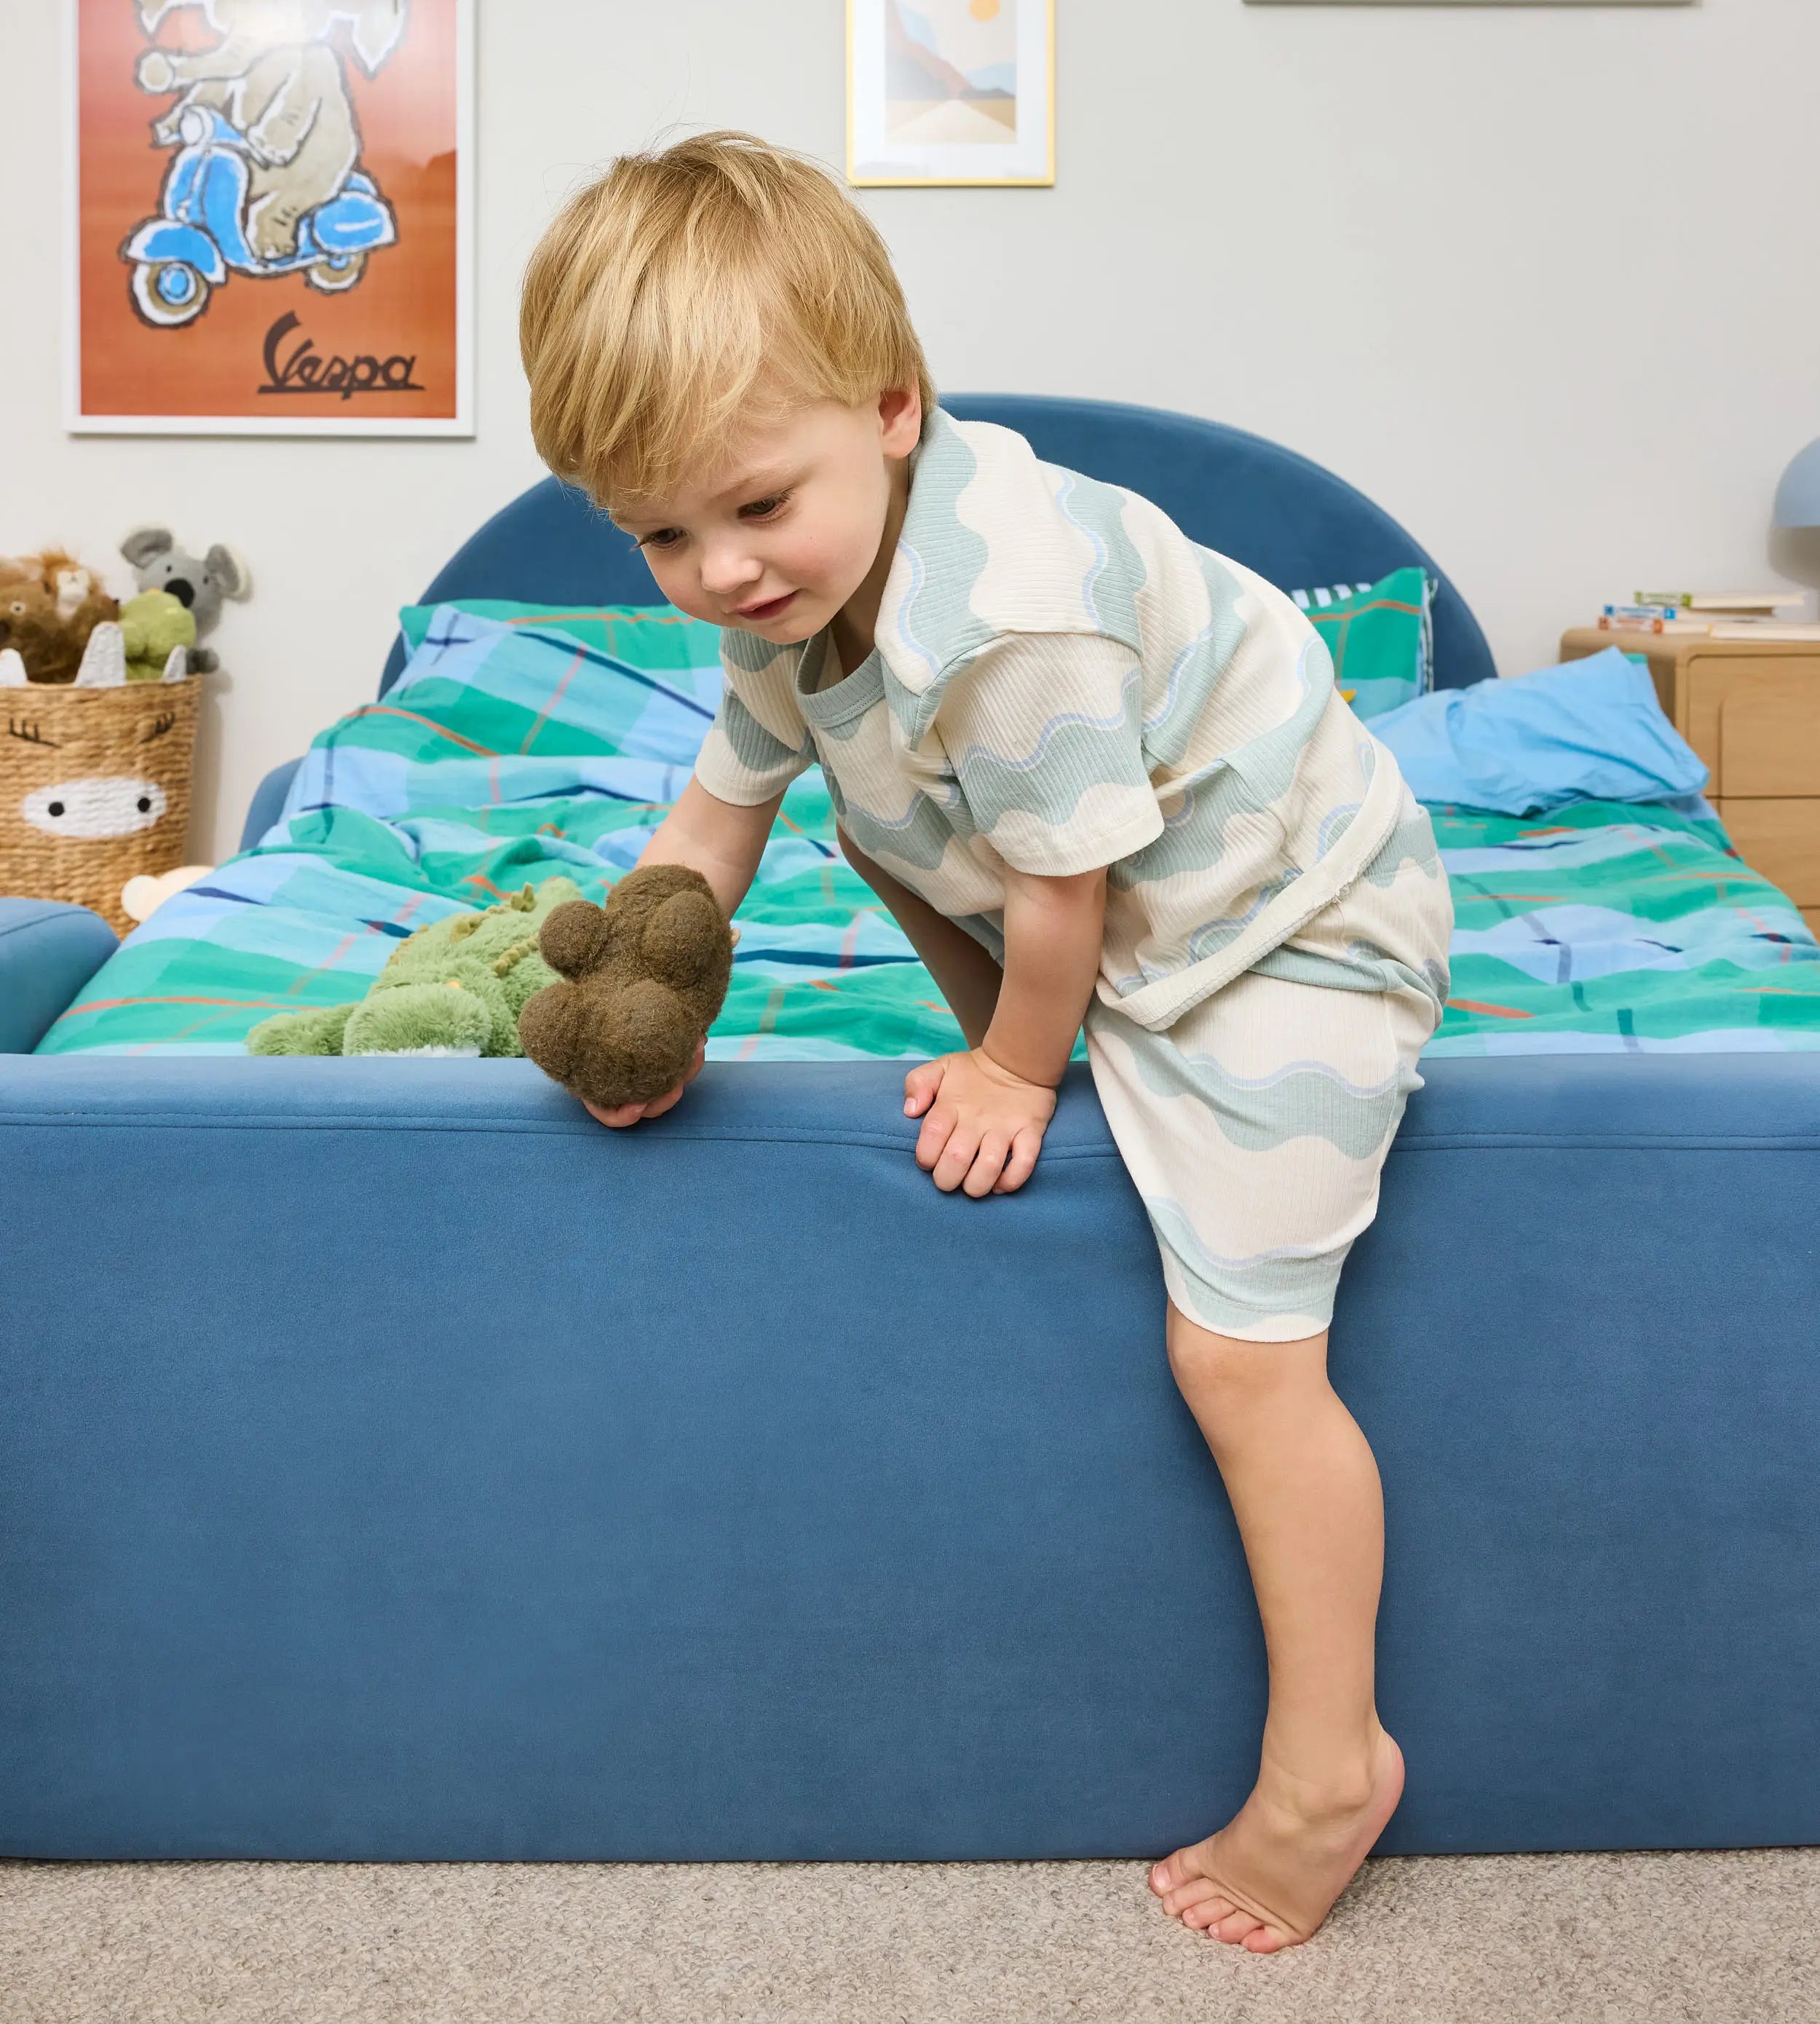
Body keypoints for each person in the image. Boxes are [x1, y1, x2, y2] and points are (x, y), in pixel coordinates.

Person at [518, 131, 1453, 1954]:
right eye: (658, 535)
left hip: (1289, 917)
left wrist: (1022, 1068)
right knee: (862, 794)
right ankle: (1054, 1063)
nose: (717, 570)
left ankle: (1329, 1764)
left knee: (1241, 1357)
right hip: (1104, 894)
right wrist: (649, 992)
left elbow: (1059, 895)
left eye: (751, 507)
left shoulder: (1007, 618)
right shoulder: (787, 597)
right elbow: (711, 823)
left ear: (890, 407)